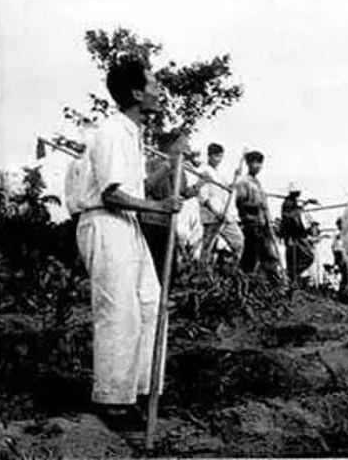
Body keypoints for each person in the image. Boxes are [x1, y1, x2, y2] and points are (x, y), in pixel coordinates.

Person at [74, 56, 182, 431]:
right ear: (136, 93)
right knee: (119, 311)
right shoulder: (111, 132)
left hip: (127, 223)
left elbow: (135, 188)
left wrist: (168, 168)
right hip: (105, 221)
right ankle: (111, 399)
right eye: (153, 85)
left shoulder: (133, 134)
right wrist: (160, 207)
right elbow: (112, 193)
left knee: (151, 304)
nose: (158, 91)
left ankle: (141, 392)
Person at [140, 130, 205, 281]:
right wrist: (168, 166)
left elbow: (182, 192)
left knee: (168, 268)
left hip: (168, 222)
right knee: (151, 267)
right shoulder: (153, 162)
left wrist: (199, 185)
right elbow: (148, 188)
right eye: (183, 143)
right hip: (151, 220)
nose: (186, 147)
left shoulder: (180, 167)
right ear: (173, 145)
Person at [235, 150, 281, 284]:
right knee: (252, 254)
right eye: (255, 163)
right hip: (251, 223)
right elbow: (240, 203)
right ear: (249, 164)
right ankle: (244, 280)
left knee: (267, 254)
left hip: (262, 223)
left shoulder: (257, 182)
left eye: (260, 164)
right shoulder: (243, 182)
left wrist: (267, 218)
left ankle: (272, 282)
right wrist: (257, 207)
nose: (258, 166)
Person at [198, 143, 244, 264]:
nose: (219, 160)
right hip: (212, 217)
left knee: (239, 242)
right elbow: (203, 197)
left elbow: (228, 187)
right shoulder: (204, 171)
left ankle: (230, 268)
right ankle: (203, 271)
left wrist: (236, 176)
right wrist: (215, 212)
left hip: (225, 216)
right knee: (208, 249)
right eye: (216, 156)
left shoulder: (218, 173)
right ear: (210, 156)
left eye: (220, 157)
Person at [280, 182, 318, 285]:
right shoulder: (288, 204)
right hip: (294, 236)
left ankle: (293, 277)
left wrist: (307, 203)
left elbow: (296, 211)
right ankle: (293, 274)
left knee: (296, 258)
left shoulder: (291, 203)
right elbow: (290, 219)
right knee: (308, 257)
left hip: (295, 236)